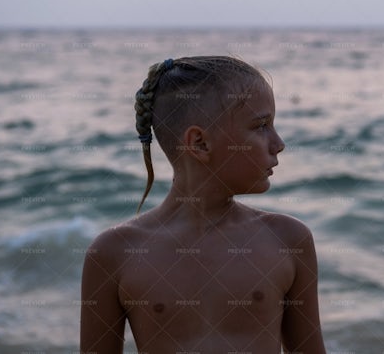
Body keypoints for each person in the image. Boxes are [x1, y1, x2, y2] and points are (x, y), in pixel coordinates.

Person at [80, 56, 326, 353]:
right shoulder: (114, 253)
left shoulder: (288, 239)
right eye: (261, 126)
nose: (279, 143)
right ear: (199, 143)